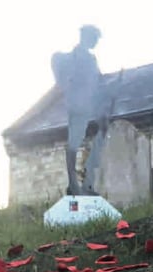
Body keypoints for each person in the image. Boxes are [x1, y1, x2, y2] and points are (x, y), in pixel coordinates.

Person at [52, 25, 103, 196]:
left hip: (92, 106)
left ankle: (87, 183)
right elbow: (66, 80)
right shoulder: (70, 58)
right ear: (86, 37)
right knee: (74, 143)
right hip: (78, 106)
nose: (96, 42)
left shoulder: (92, 59)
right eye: (94, 38)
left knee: (99, 140)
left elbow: (98, 81)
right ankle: (73, 183)